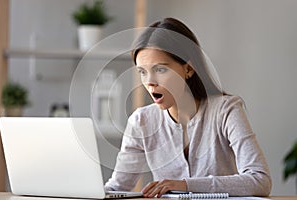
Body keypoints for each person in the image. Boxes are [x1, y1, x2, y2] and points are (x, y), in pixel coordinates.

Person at [104, 17, 272, 197]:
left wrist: (185, 185)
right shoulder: (141, 121)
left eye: (160, 70)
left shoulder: (226, 110)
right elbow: (117, 188)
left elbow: (259, 180)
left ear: (188, 69)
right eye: (142, 72)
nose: (150, 82)